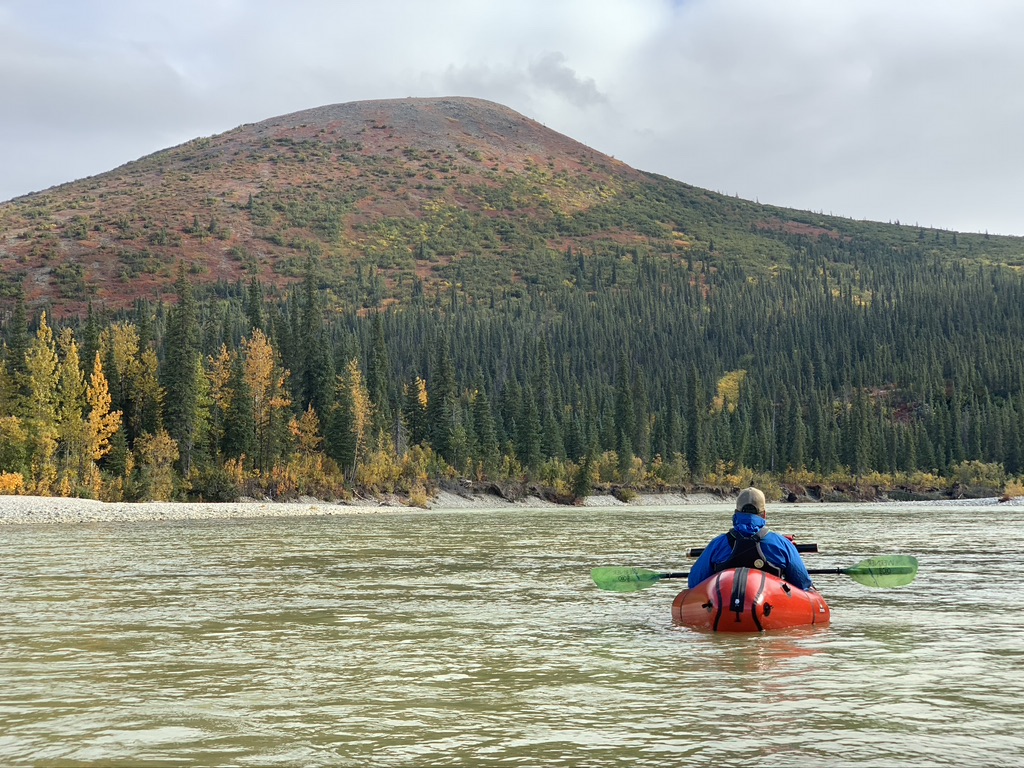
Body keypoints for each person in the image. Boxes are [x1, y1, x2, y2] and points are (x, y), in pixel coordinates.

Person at [687, 487, 814, 590]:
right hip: (768, 605)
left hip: (725, 607)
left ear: (736, 513)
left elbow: (694, 582)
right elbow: (803, 583)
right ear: (764, 514)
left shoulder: (718, 544)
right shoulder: (782, 544)